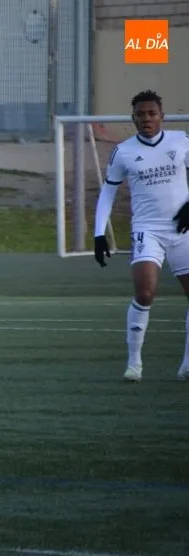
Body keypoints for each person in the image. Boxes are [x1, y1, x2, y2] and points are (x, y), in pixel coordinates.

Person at [93, 90, 189, 382]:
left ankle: (187, 365)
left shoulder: (181, 141)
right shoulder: (123, 151)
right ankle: (134, 364)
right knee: (145, 293)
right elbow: (108, 191)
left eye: (152, 113)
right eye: (140, 114)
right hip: (147, 230)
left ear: (162, 116)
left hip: (184, 230)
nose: (146, 119)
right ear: (132, 118)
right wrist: (99, 233)